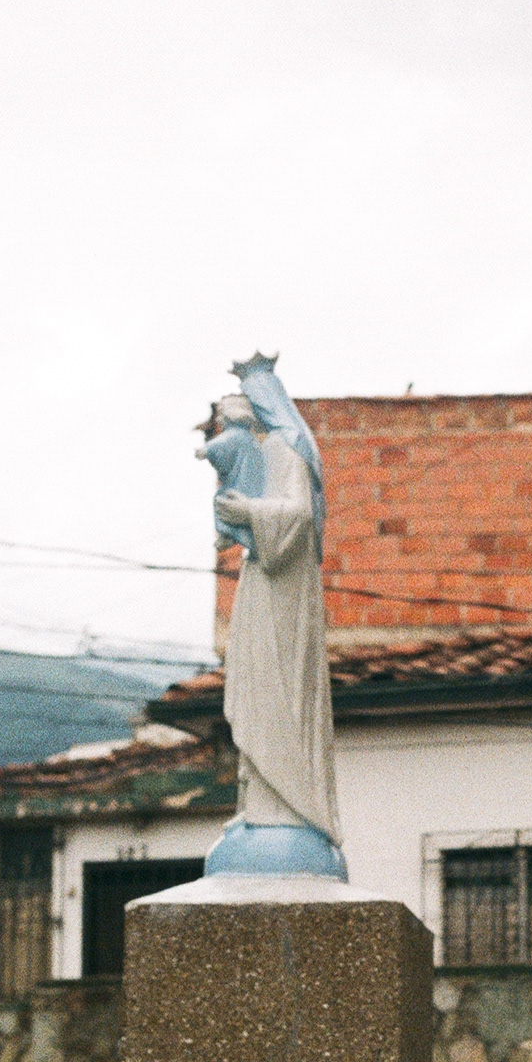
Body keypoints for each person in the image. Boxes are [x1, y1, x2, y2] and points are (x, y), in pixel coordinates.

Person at [201, 357, 345, 875]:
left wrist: (247, 514)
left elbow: (300, 517)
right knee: (262, 684)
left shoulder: (285, 446)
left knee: (271, 685)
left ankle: (284, 808)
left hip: (278, 582)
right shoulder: (273, 447)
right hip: (268, 578)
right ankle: (261, 804)